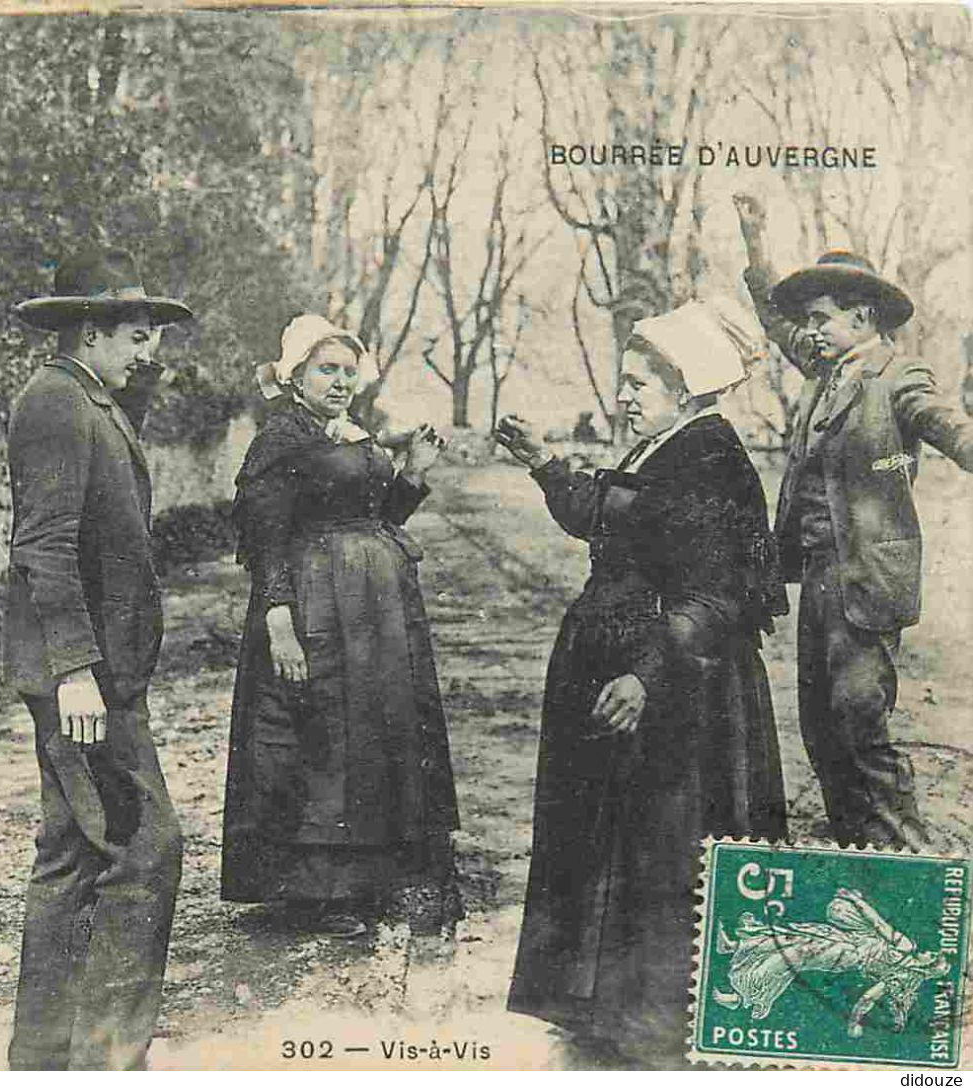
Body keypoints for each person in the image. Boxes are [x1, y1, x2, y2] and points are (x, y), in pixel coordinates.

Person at [496, 301, 790, 1062]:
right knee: (617, 842)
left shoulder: (711, 458)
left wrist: (644, 675)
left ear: (685, 385)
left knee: (665, 847)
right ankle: (607, 1010)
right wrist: (543, 461)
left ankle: (659, 1028)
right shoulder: (664, 443)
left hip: (680, 684)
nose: (623, 394)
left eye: (639, 383)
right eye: (625, 380)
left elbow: (714, 593)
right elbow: (608, 516)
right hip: (634, 669)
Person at [2, 246, 192, 1069]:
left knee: (75, 853)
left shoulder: (87, 398)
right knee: (146, 847)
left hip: (97, 671)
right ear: (90, 332)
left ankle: (45, 1056)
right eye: (137, 336)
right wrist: (75, 670)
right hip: (83, 678)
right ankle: (108, 1060)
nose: (149, 353)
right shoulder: (55, 401)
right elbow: (42, 546)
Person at [220, 314, 460, 939]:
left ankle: (365, 880)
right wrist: (279, 621)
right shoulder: (280, 440)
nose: (340, 382)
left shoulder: (352, 433)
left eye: (349, 372)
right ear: (295, 375)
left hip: (371, 614)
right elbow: (265, 539)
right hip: (315, 606)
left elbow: (376, 516)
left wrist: (414, 472)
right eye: (327, 370)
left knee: (367, 737)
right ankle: (316, 891)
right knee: (320, 735)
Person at [738, 234, 973, 850]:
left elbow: (946, 424)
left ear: (862, 317)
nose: (809, 331)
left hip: (867, 580)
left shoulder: (898, 376)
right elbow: (776, 320)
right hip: (818, 578)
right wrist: (755, 239)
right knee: (820, 725)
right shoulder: (825, 370)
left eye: (820, 319)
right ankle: (856, 854)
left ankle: (911, 860)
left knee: (858, 719)